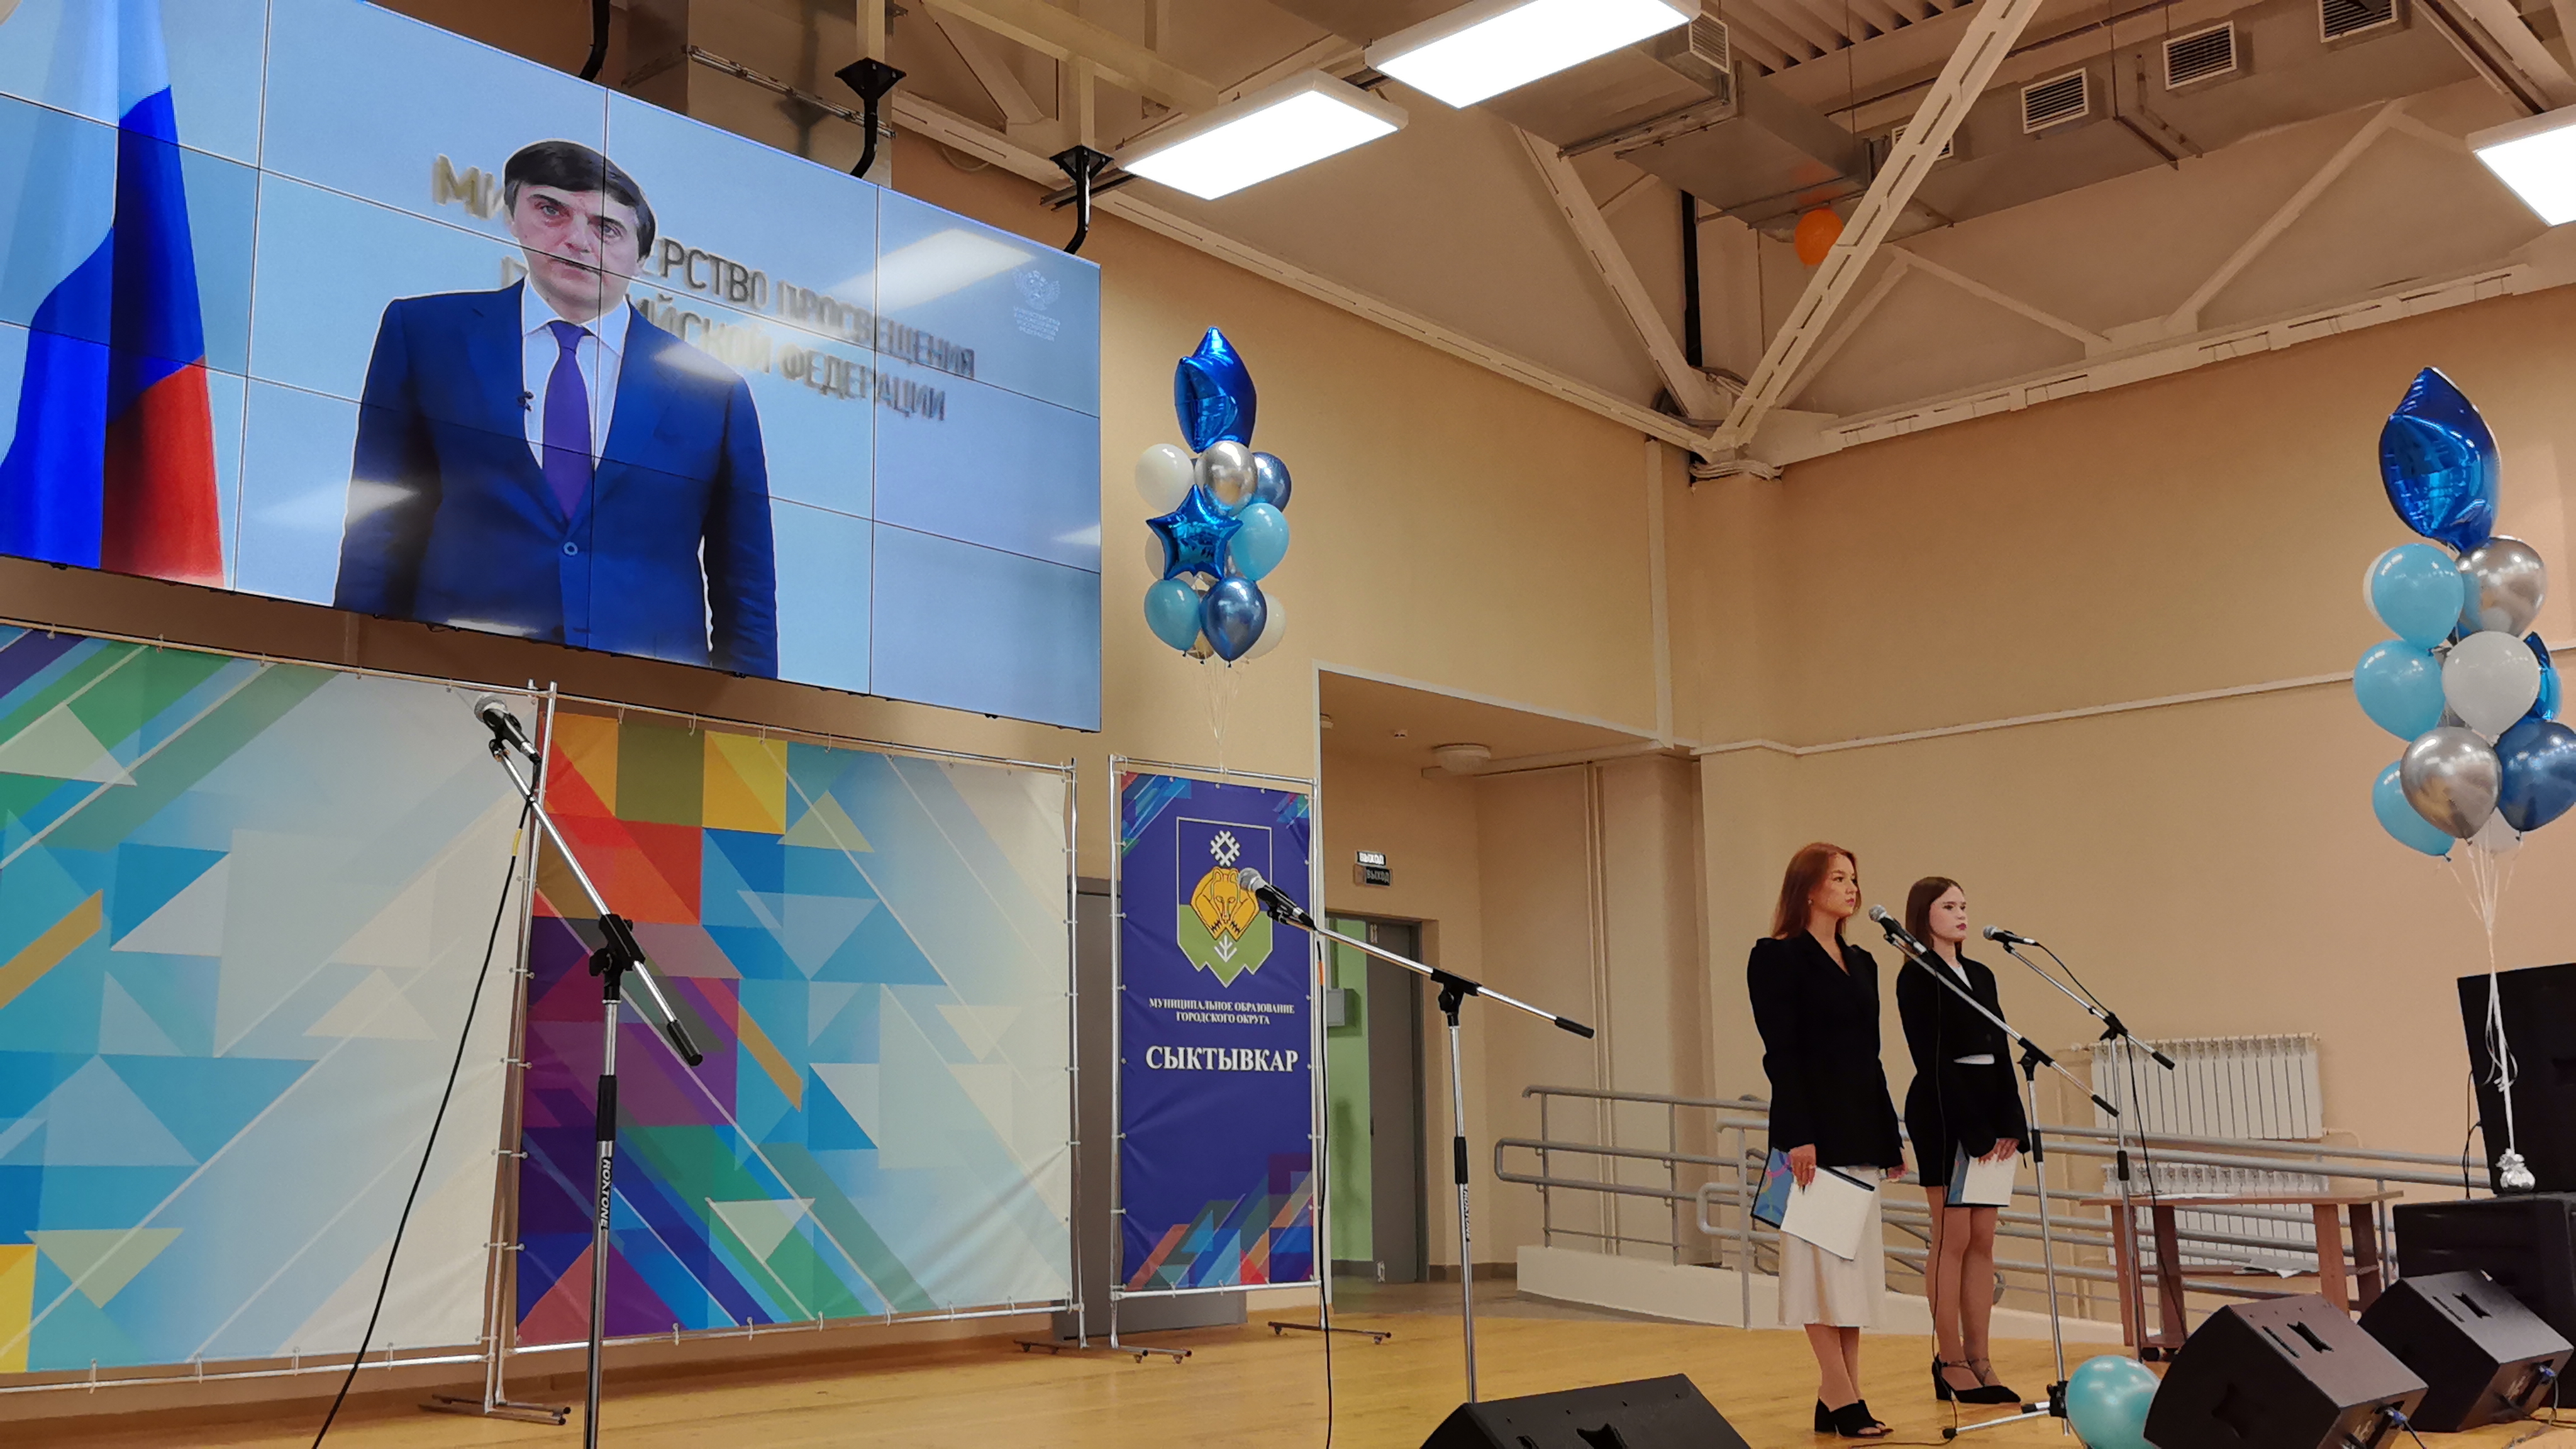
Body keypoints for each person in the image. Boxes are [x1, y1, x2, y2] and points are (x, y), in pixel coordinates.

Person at [333, 140, 779, 676]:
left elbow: (745, 583)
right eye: (551, 210)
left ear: (641, 258)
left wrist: (749, 711)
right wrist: (349, 667)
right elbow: (380, 525)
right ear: (514, 218)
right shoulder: (426, 335)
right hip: (453, 674)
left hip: (648, 692)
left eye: (606, 228)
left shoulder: (714, 391)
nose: (577, 241)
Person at [1748, 842, 1907, 1439]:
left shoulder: (1863, 961)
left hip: (1859, 1126)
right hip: (1810, 1132)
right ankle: (1842, 1395)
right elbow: (1781, 1053)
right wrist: (1798, 1136)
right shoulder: (1775, 957)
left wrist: (1889, 1137)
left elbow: (1871, 1055)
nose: (1851, 888)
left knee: (1852, 1273)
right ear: (1809, 889)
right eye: (1838, 878)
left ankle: (1841, 1393)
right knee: (1818, 1271)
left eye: (1854, 878)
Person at [1896, 877, 2028, 1407]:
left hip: (1989, 1109)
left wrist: (2011, 1121)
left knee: (1982, 1240)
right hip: (1944, 1111)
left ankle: (1981, 1357)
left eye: (1964, 906)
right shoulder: (1916, 975)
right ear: (1923, 916)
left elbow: (2001, 1048)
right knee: (1951, 1237)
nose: (1960, 914)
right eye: (1948, 906)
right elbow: (1929, 1058)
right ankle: (1949, 1360)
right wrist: (1973, 1129)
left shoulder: (1982, 973)